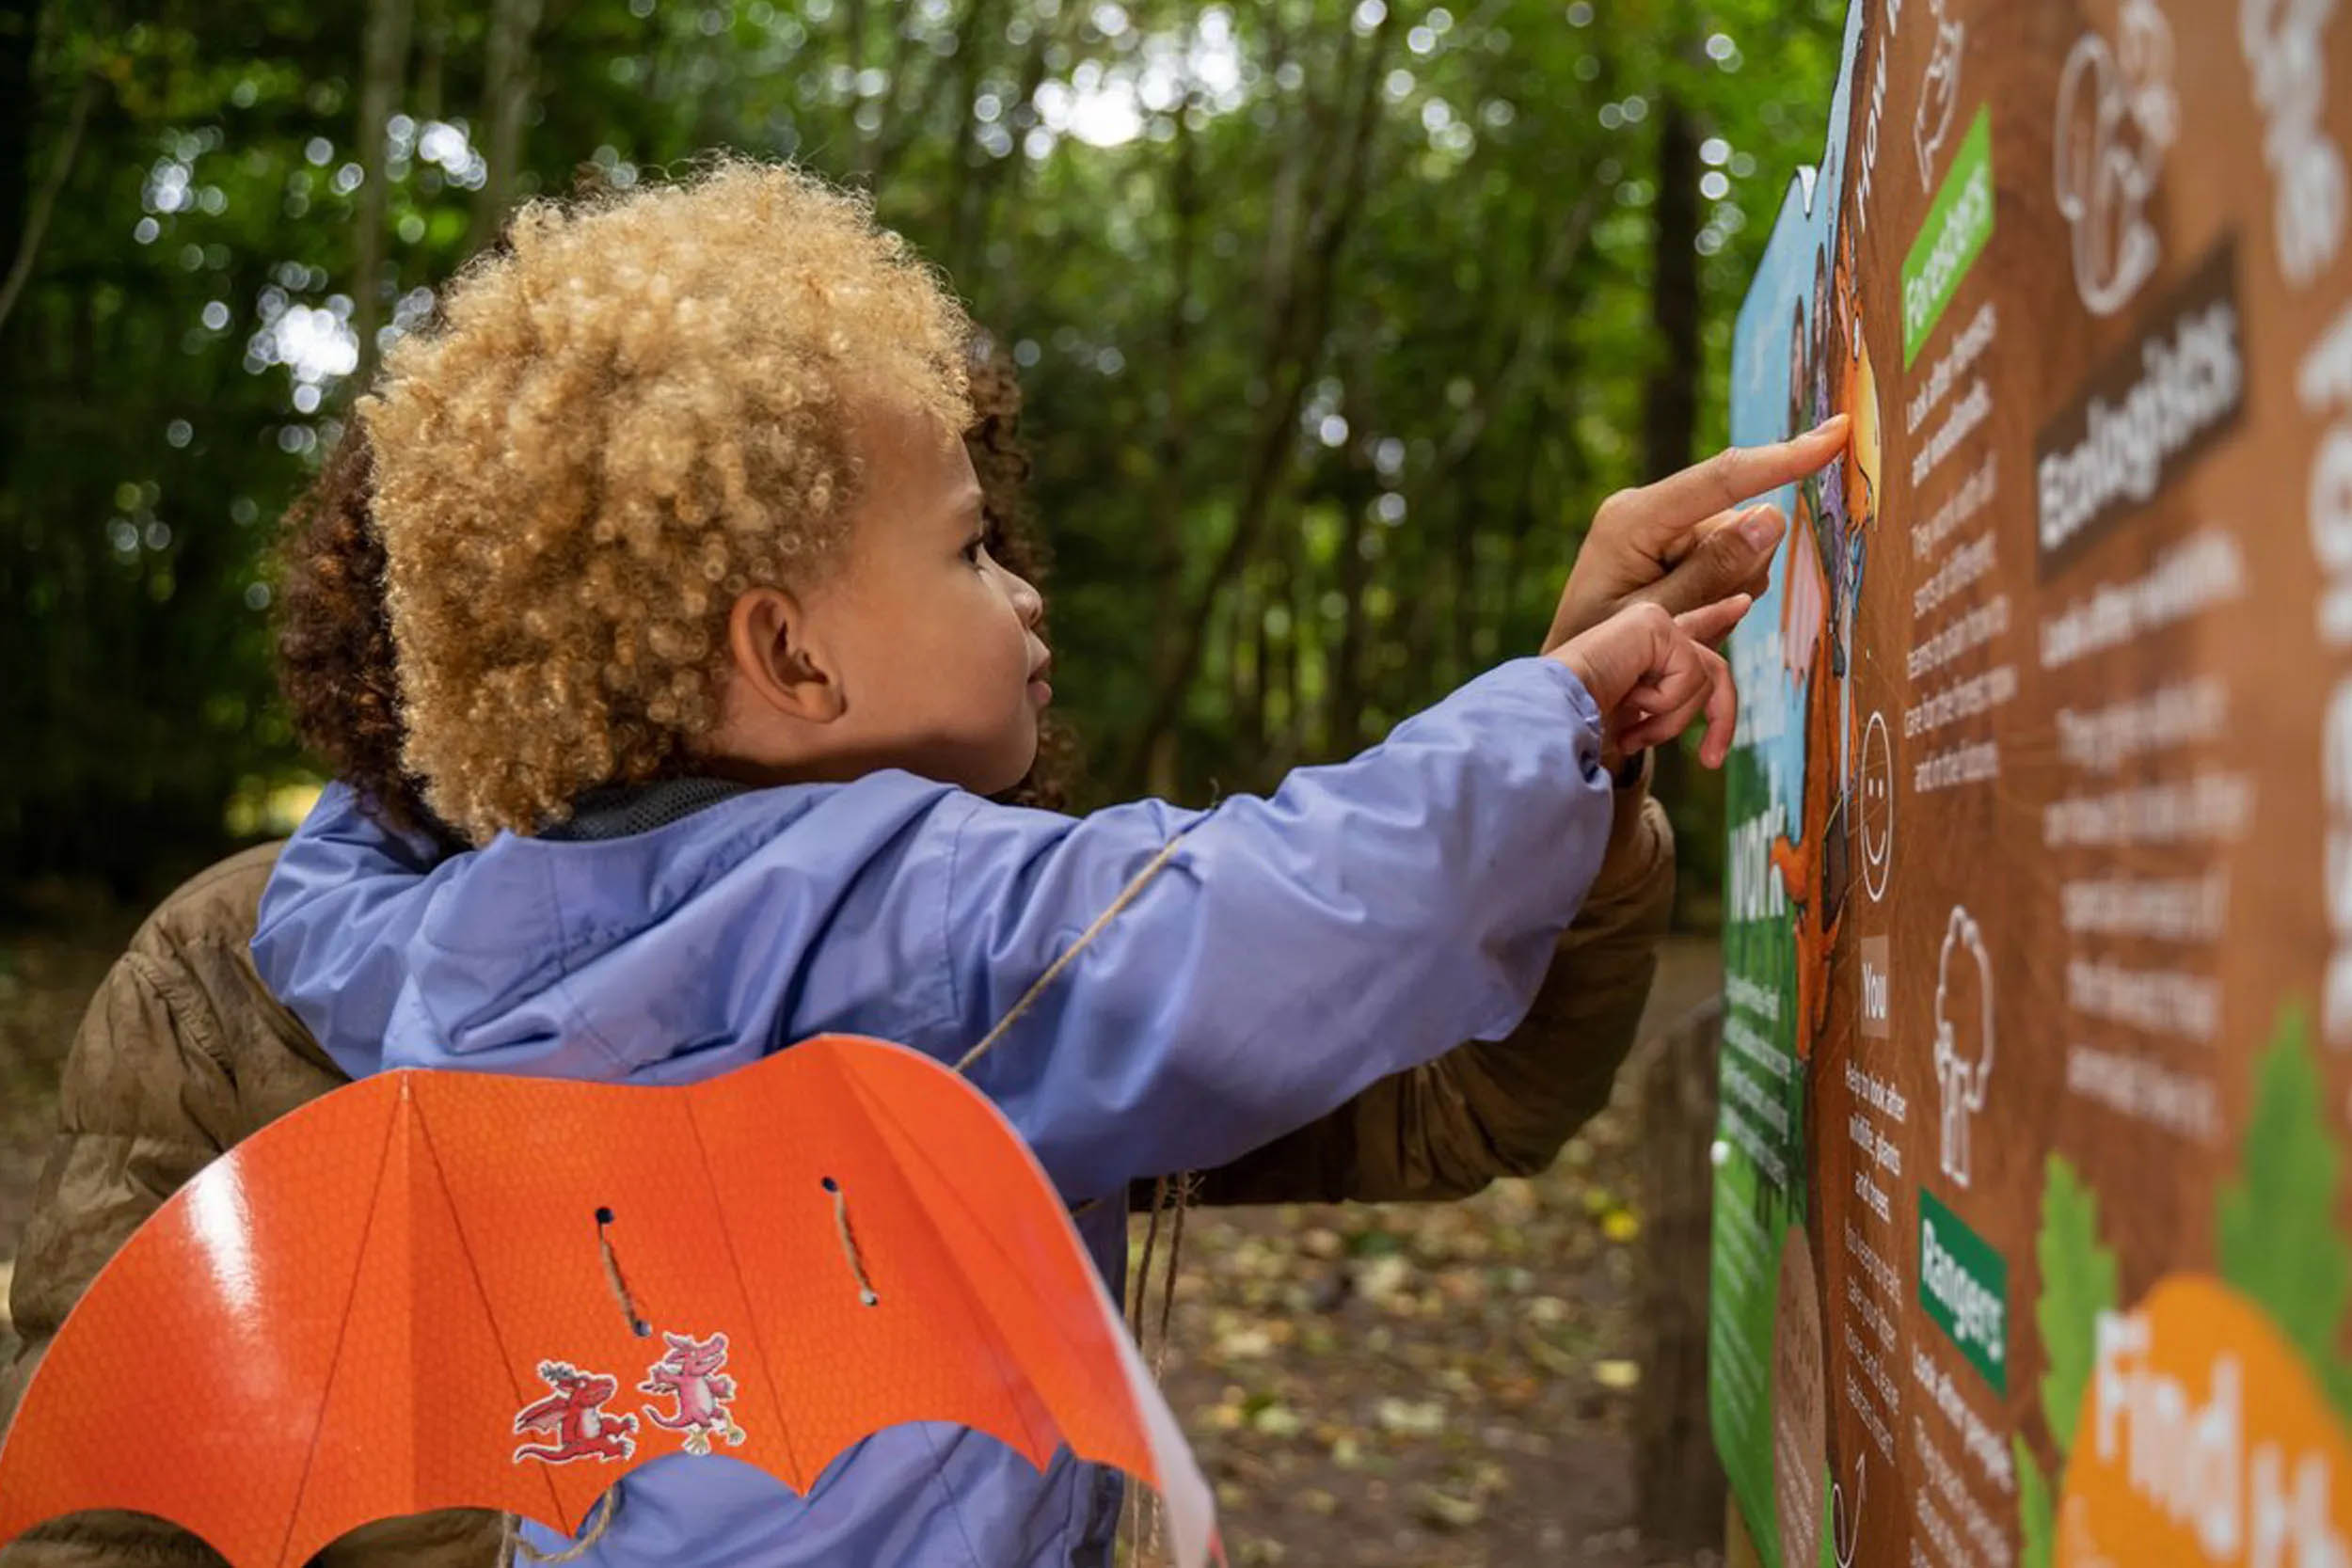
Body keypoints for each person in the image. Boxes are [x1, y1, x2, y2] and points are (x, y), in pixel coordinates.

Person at [0, 162, 1826, 1568]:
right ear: (785, 657)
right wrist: (1540, 718)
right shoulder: (916, 921)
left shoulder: (458, 950)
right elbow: (1259, 923)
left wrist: (1587, 779)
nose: (1025, 590)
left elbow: (1446, 1098)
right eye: (969, 550)